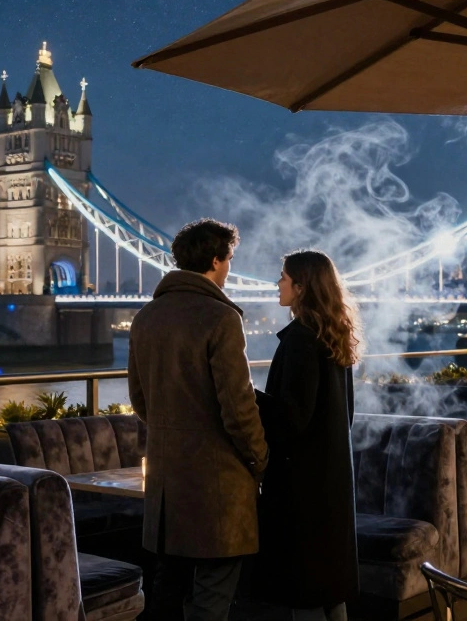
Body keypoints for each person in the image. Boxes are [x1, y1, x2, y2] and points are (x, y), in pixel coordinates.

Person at [128, 218, 269, 621]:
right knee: (213, 592)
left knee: (166, 590)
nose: (230, 268)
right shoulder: (221, 318)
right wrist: (259, 459)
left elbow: (140, 400)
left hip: (166, 483)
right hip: (217, 484)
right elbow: (238, 408)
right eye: (229, 260)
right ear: (215, 261)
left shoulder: (146, 317)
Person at [252, 250, 360, 621]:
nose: (277, 284)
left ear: (301, 286)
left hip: (302, 485)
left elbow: (291, 418)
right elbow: (343, 414)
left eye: (283, 277)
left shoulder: (299, 340)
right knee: (331, 588)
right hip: (330, 479)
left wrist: (246, 395)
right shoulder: (333, 334)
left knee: (304, 591)